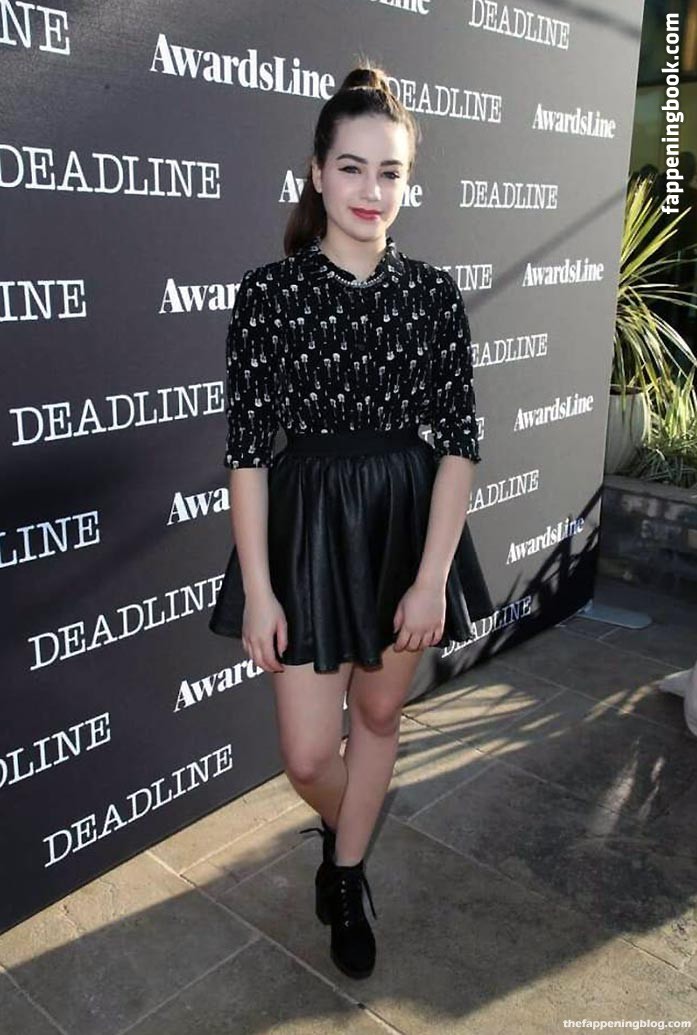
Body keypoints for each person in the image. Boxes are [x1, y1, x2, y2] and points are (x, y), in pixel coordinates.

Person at [209, 59, 493, 980]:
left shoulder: (432, 295)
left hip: (405, 524)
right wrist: (259, 592)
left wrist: (430, 577)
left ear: (407, 181)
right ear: (316, 172)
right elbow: (247, 455)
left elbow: (458, 446)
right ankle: (349, 830)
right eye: (352, 167)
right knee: (305, 754)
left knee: (376, 713)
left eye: (390, 171)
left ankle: (344, 873)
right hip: (306, 532)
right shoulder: (269, 295)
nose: (371, 190)